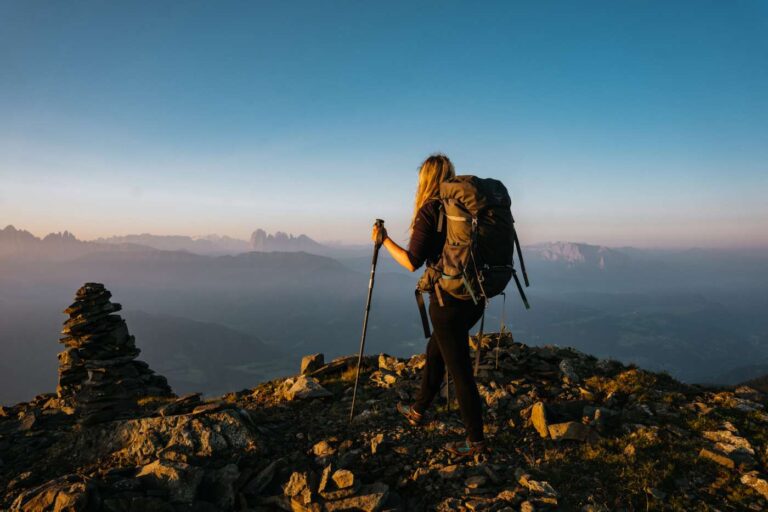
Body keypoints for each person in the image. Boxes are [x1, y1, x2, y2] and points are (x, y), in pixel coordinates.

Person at [371, 154, 487, 458]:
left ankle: (475, 442)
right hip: (474, 298)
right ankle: (419, 409)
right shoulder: (462, 207)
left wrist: (384, 240)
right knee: (436, 350)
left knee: (460, 370)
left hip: (447, 301)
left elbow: (412, 262)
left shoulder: (431, 209)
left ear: (424, 179)